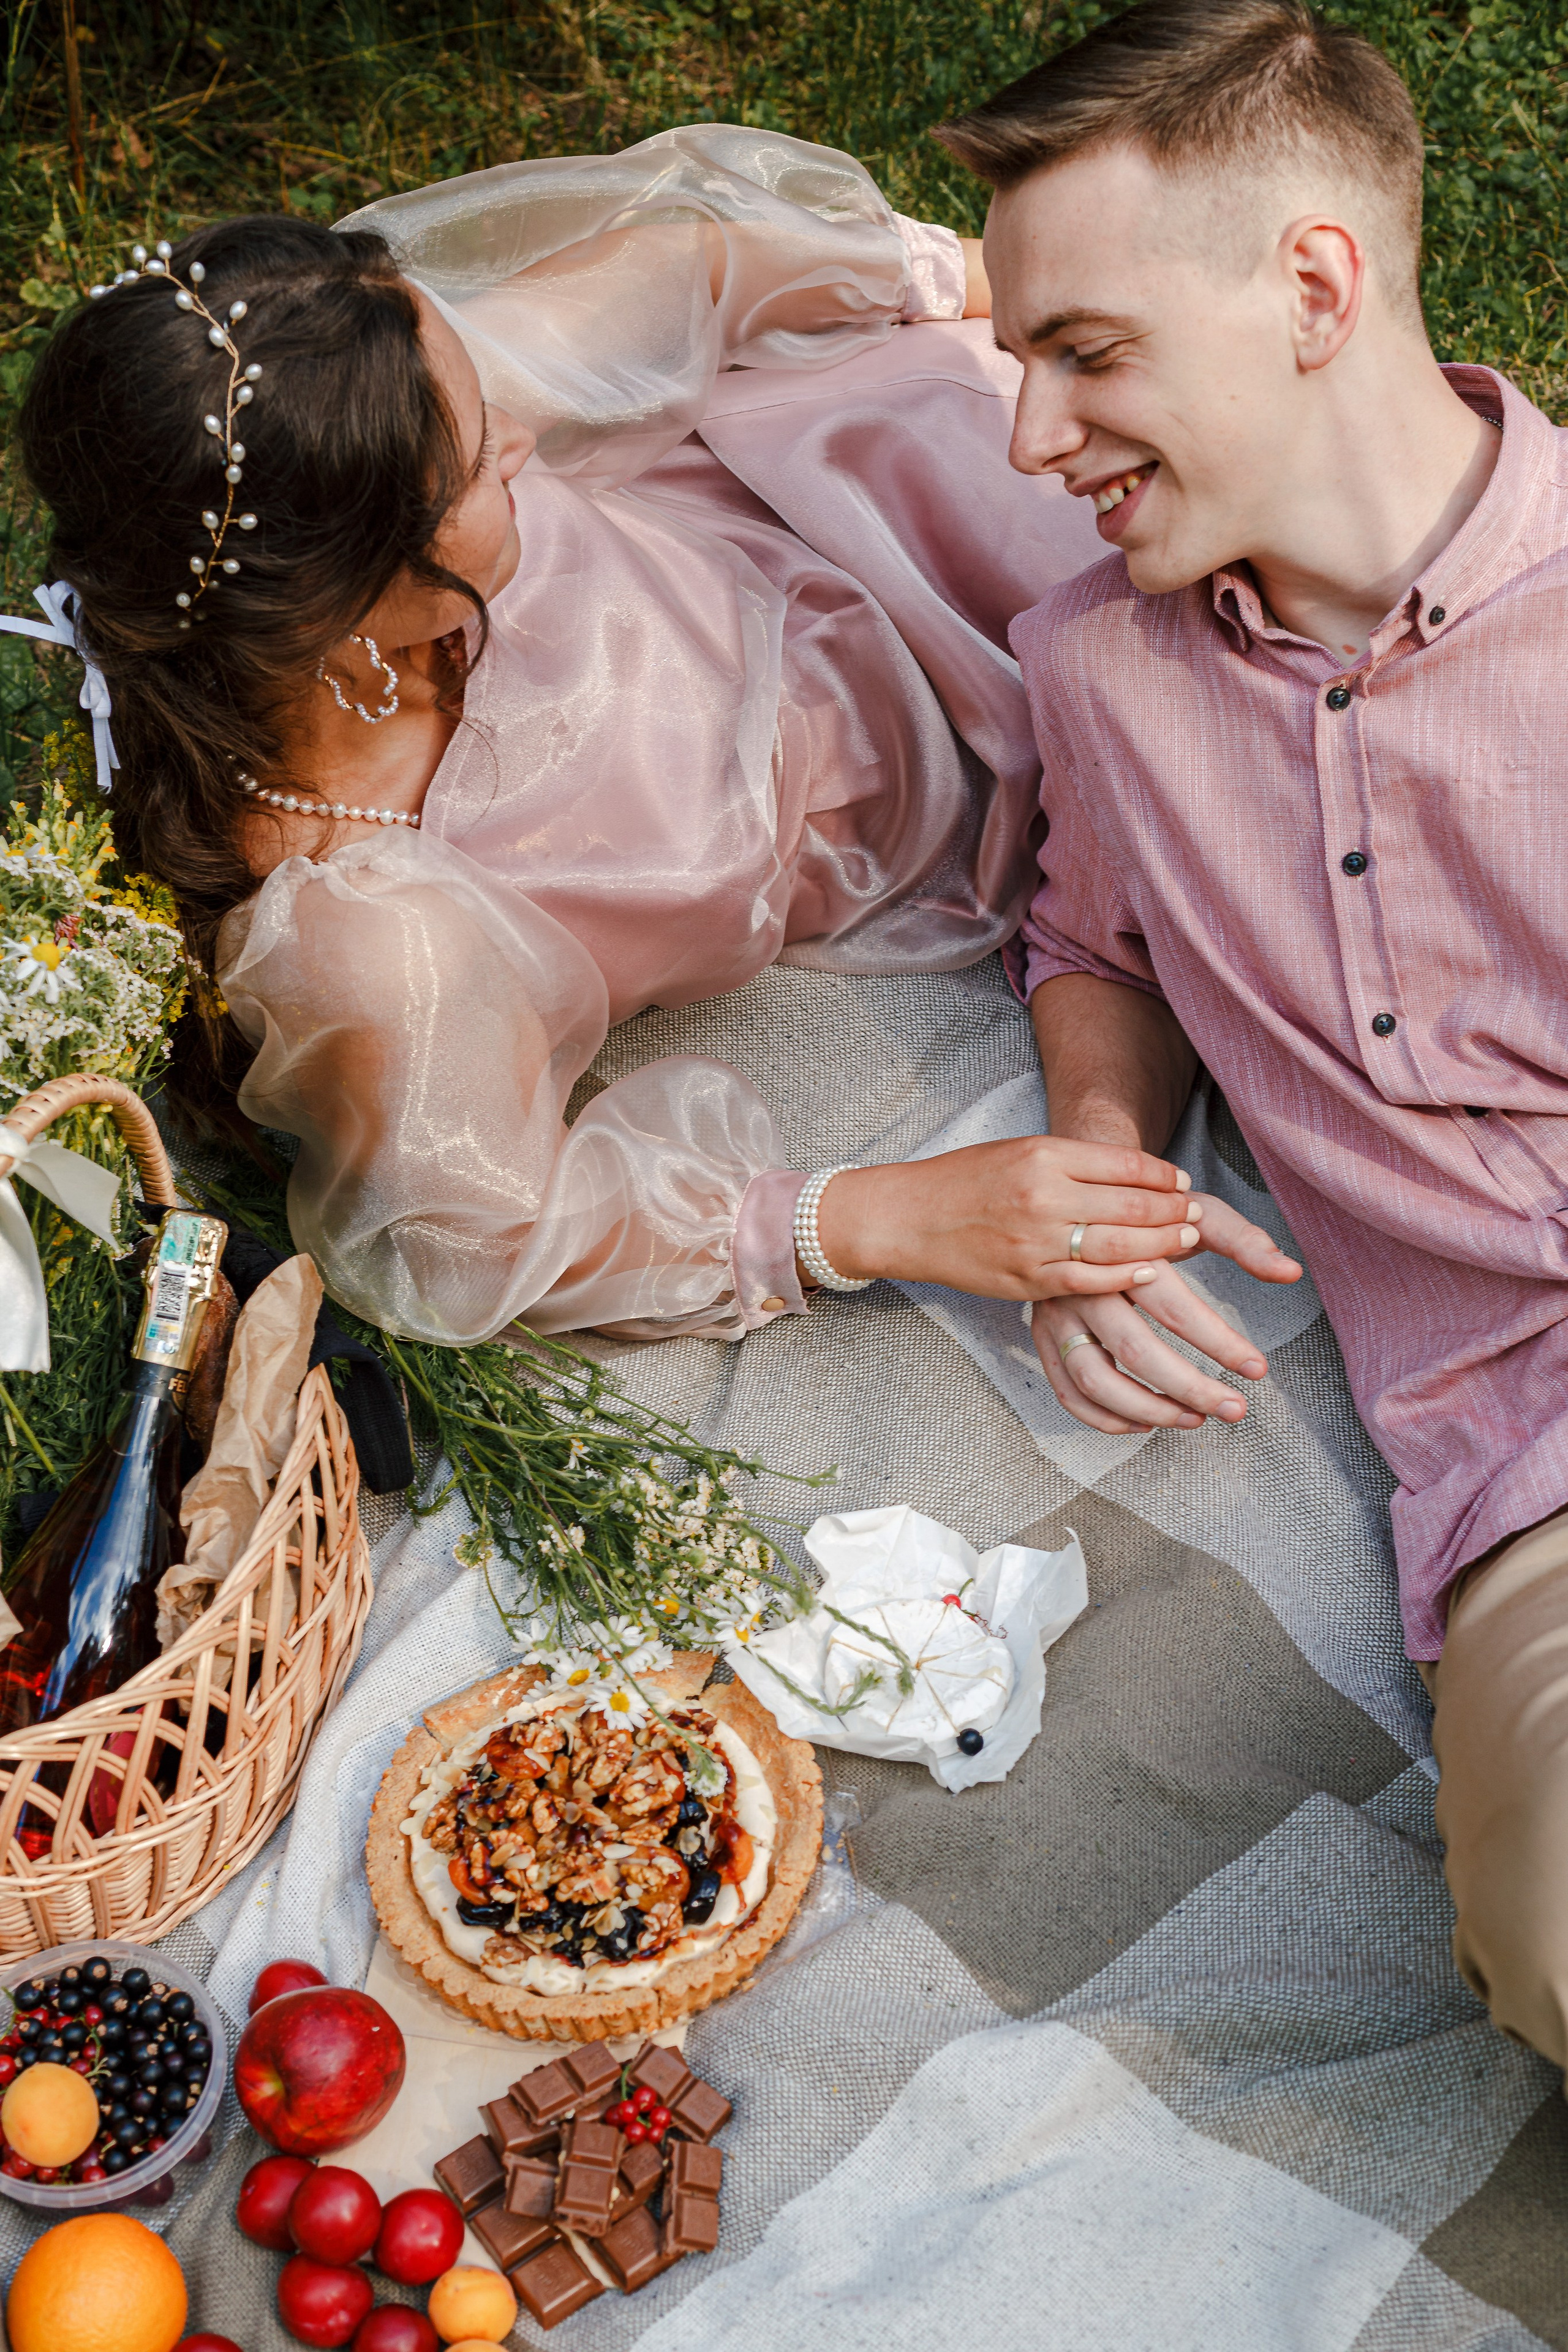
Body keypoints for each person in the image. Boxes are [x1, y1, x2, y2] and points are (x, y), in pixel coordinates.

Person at [11, 128, 1261, 1355]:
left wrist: (1024, 308)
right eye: (477, 472)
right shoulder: (372, 928)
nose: (518, 435)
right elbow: (483, 1236)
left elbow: (698, 265)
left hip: (883, 480)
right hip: (971, 758)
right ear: (344, 617)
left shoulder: (363, 399)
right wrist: (870, 1218)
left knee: (1246, 488)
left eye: (482, 396)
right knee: (1260, 732)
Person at [940, 0, 1568, 2068]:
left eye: (1089, 355)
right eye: (1027, 363)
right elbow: (1084, 932)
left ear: (1316, 285)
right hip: (1528, 1474)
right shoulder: (1102, 671)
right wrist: (1106, 1169)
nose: (1035, 437)